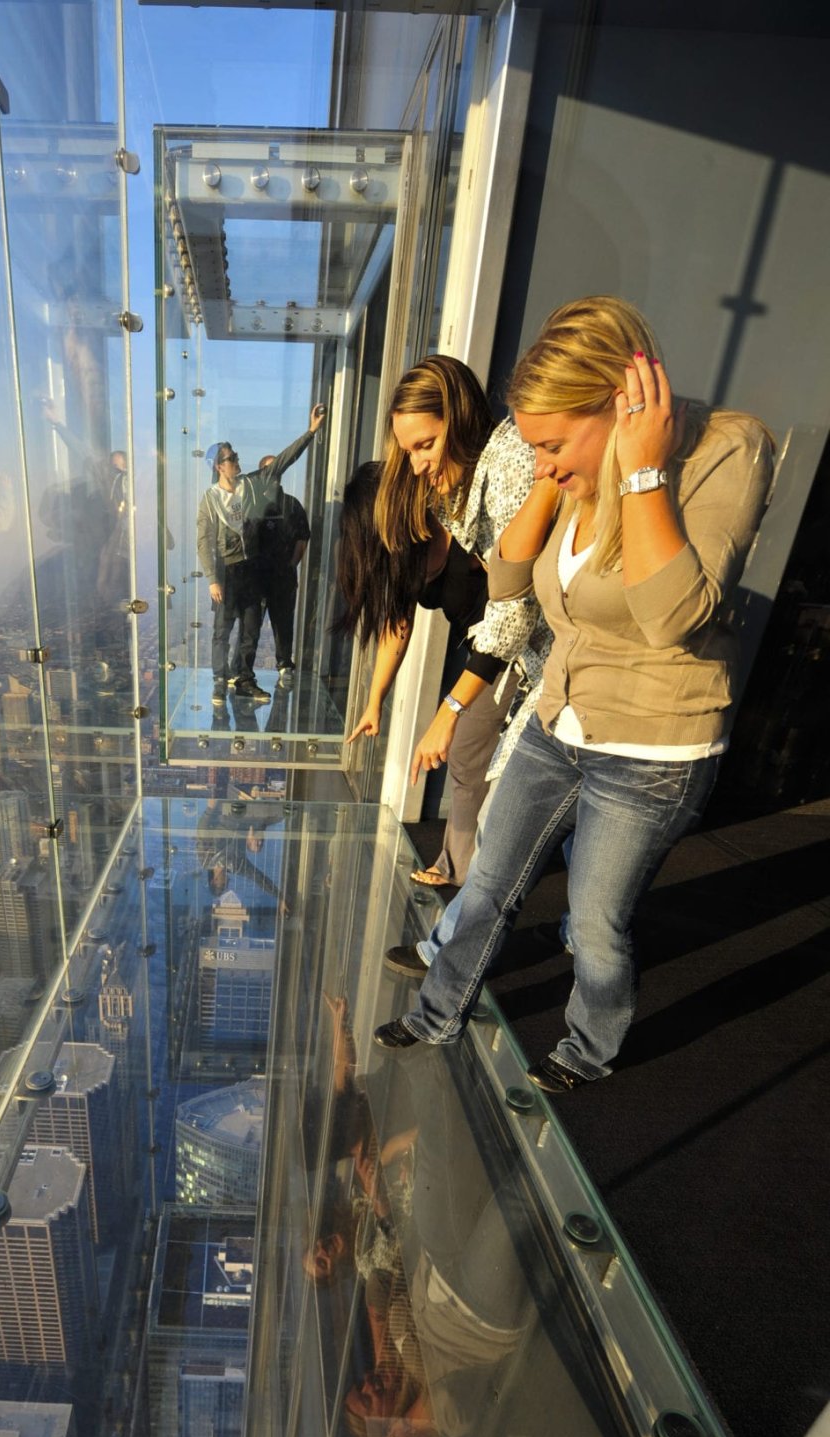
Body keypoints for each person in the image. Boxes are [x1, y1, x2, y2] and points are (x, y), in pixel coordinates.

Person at [375, 296, 774, 1090]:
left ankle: (589, 1048)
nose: (546, 461)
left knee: (594, 922)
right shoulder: (571, 479)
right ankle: (435, 1012)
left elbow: (674, 616)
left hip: (655, 746)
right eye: (534, 444)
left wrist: (644, 469)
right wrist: (559, 481)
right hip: (562, 719)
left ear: (618, 406)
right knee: (488, 879)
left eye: (555, 444)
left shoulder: (727, 449)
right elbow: (509, 579)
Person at [341, 356, 537, 888]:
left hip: (512, 652)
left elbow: (514, 607)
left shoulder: (496, 475)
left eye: (425, 445)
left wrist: (449, 710)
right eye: (409, 453)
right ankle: (462, 870)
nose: (420, 465)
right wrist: (375, 701)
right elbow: (396, 625)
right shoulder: (451, 504)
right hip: (497, 649)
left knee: (475, 761)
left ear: (458, 415)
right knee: (471, 764)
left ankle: (470, 876)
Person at [197, 404, 326, 706]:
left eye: (236, 456)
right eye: (231, 458)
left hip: (251, 570)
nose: (237, 461)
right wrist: (213, 579)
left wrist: (311, 432)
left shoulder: (251, 485)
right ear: (219, 466)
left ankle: (243, 679)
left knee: (251, 630)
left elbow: (283, 460)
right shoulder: (210, 500)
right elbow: (203, 541)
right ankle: (219, 681)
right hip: (227, 572)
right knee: (222, 629)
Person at [257, 454, 311, 685]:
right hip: (257, 578)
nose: (274, 474)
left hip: (283, 576)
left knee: (283, 622)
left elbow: (302, 538)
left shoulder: (292, 504)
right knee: (250, 624)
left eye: (277, 469)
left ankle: (284, 666)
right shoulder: (252, 503)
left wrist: (291, 565)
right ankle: (241, 670)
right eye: (269, 470)